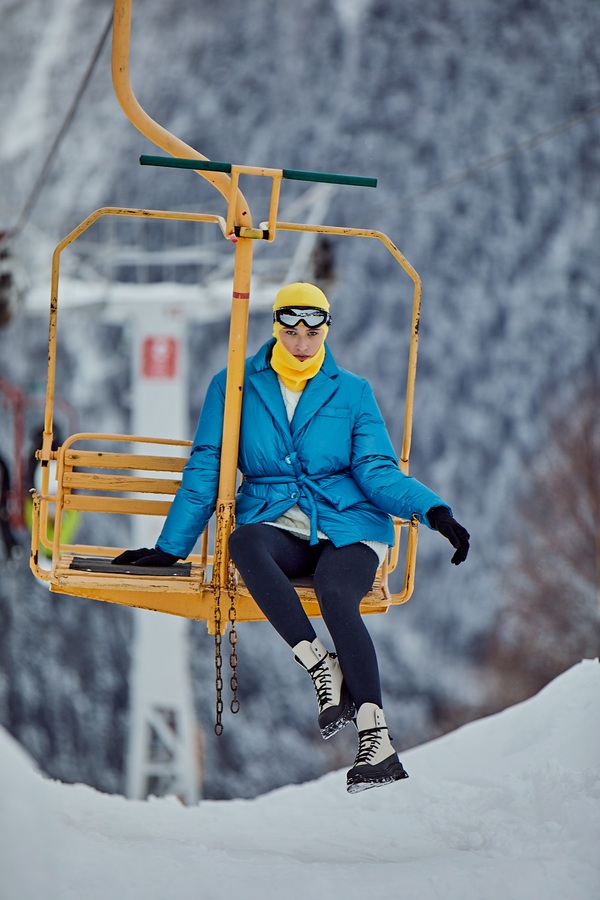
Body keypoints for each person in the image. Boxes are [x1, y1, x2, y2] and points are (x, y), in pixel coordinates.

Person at [114, 282, 470, 793]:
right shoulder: (236, 385)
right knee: (243, 543)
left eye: (312, 330)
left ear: (327, 329)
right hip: (280, 522)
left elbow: (375, 469)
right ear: (276, 328)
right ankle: (319, 663)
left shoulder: (351, 391)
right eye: (291, 329)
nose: (301, 341)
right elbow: (210, 464)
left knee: (335, 592)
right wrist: (173, 546)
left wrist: (434, 512)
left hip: (348, 524)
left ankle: (376, 736)